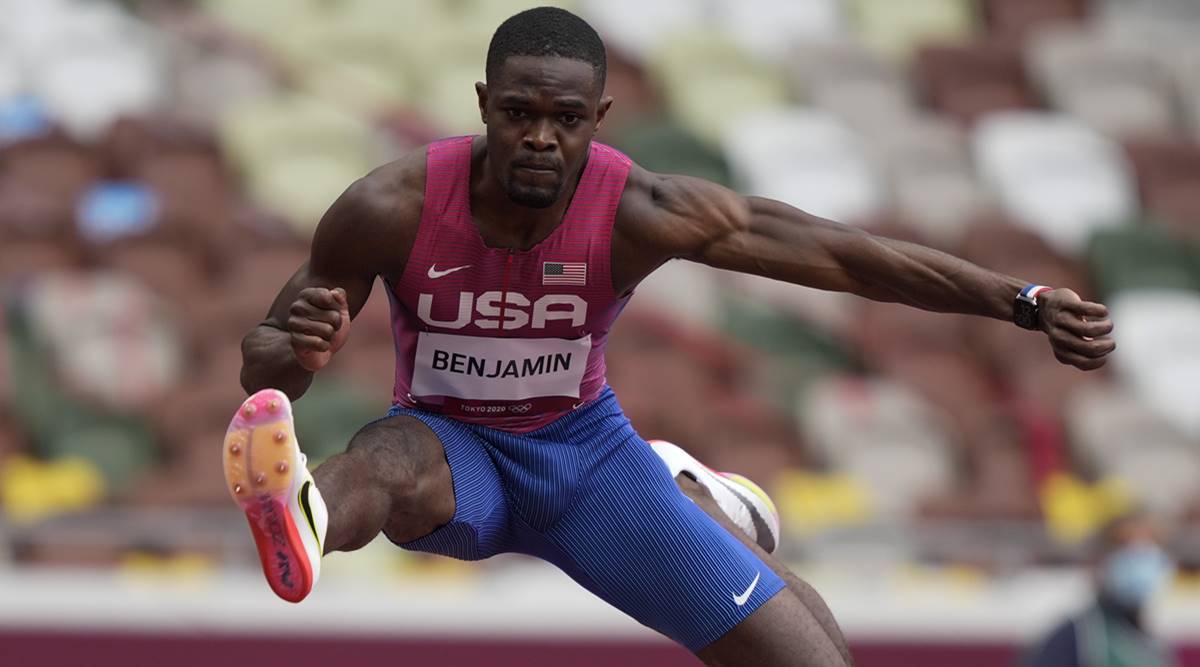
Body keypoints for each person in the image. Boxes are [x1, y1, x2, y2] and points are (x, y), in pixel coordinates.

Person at [224, 7, 1115, 666]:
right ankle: (305, 516)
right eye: (518, 113)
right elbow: (269, 368)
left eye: (565, 120)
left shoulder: (641, 210)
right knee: (382, 455)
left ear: (599, 118)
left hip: (586, 458)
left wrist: (1022, 298)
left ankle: (686, 491)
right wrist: (295, 351)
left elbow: (845, 257)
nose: (539, 138)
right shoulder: (391, 206)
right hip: (454, 449)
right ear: (484, 103)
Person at [1020, 513, 1176, 667]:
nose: (1140, 560)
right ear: (1100, 561)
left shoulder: (1153, 642)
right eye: (1127, 548)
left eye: (1148, 549)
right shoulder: (1078, 638)